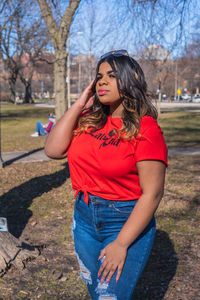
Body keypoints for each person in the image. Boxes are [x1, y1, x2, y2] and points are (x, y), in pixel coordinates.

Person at [44, 50, 168, 300]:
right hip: (84, 218)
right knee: (96, 291)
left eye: (111, 75)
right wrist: (80, 105)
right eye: (99, 76)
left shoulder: (146, 128)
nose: (101, 81)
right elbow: (52, 150)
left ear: (130, 80)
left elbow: (152, 194)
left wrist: (121, 244)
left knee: (109, 296)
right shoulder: (90, 121)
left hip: (123, 220)